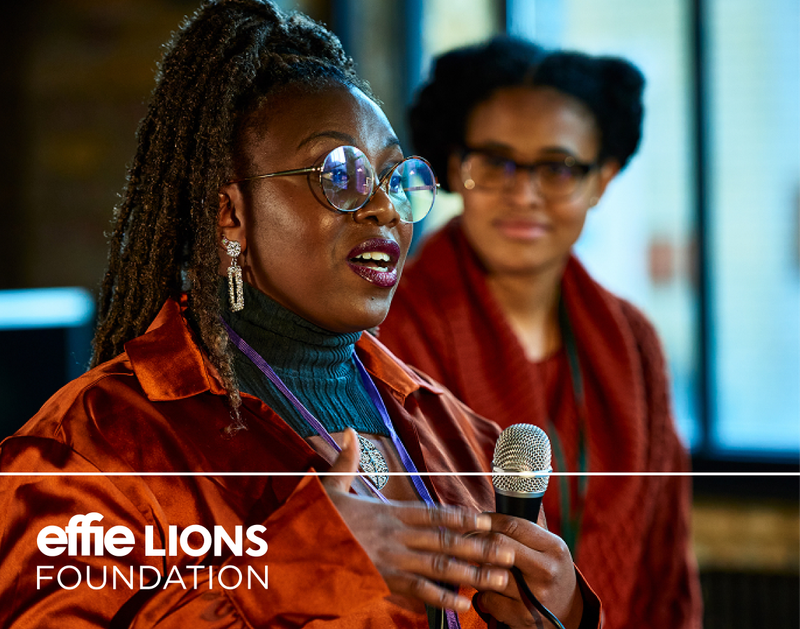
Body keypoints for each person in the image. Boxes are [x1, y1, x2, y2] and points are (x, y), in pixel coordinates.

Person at [0, 4, 601, 628]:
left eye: (397, 180)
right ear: (228, 213)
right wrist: (291, 570)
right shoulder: (92, 449)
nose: (384, 210)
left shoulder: (457, 436)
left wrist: (560, 613)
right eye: (340, 175)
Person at [378, 37, 702, 628]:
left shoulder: (633, 342)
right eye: (494, 162)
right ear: (455, 168)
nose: (523, 194)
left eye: (556, 168)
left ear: (601, 179)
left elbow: (665, 569)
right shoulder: (388, 328)